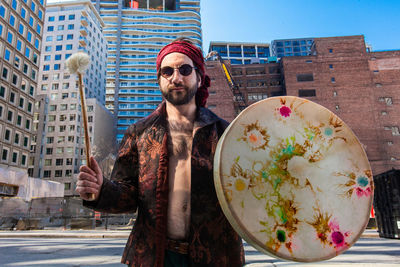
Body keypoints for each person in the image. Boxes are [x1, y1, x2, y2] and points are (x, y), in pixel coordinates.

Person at [76, 38, 245, 267]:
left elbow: (246, 193)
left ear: (199, 76)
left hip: (216, 256)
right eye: (167, 71)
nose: (176, 78)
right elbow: (128, 195)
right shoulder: (138, 133)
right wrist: (100, 190)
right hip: (154, 256)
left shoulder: (226, 133)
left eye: (185, 69)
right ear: (159, 80)